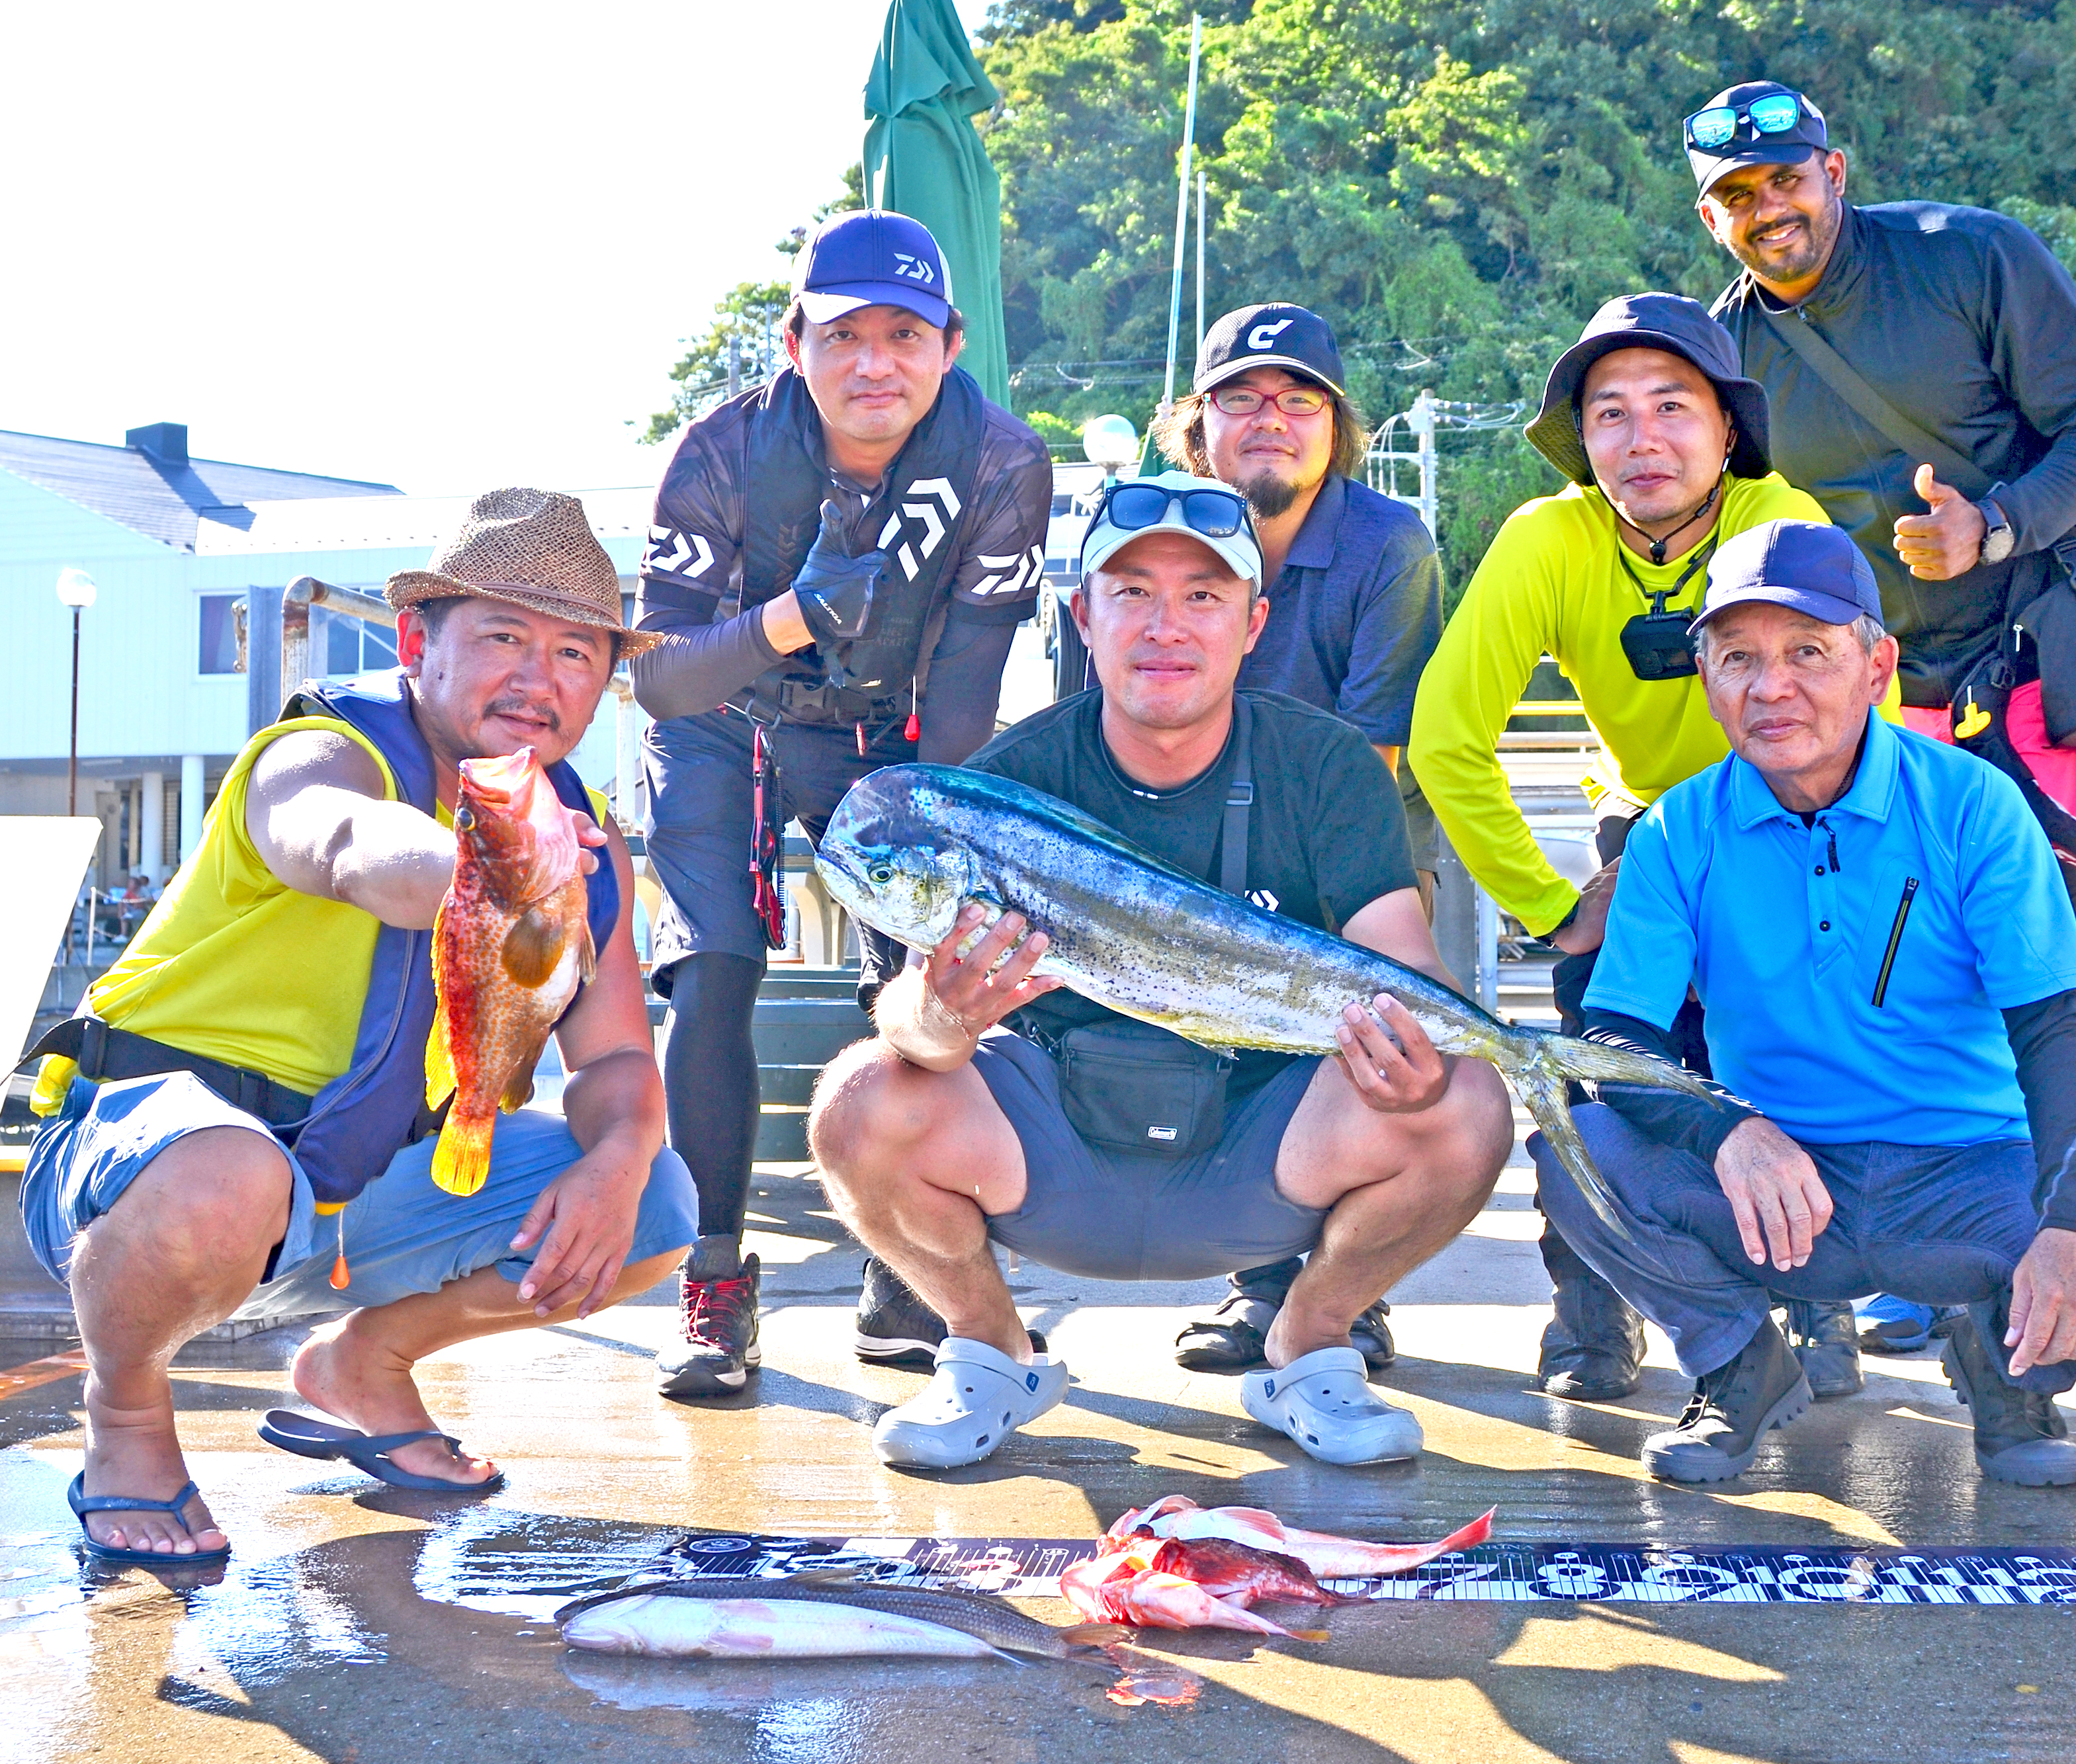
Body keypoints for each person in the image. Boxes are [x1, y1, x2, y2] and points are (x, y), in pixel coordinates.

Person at [19, 488, 697, 1560]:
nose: (539, 676)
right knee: (225, 1174)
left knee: (654, 1200)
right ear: (418, 641)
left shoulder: (582, 831)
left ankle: (363, 1363)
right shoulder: (320, 753)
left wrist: (620, 1152)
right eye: (504, 636)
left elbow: (614, 1053)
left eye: (576, 653)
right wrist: (483, 876)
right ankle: (127, 1417)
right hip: (135, 1165)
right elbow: (339, 842)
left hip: (350, 1183)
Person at [805, 474, 1515, 1472]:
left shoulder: (1328, 763)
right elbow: (908, 1025)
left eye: (1202, 595)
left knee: (1471, 1099)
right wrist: (940, 1013)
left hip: (1260, 1157)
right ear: (1082, 614)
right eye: (1131, 591)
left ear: (1253, 622)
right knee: (856, 1096)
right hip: (1049, 1154)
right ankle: (988, 1350)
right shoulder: (1009, 779)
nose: (1164, 624)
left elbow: (1401, 951)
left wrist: (1422, 1059)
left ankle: (1308, 1339)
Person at [1531, 519, 2076, 1490]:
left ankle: (2005, 1372)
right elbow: (1616, 1035)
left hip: (1964, 1168)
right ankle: (1739, 1366)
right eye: (1736, 656)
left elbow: (2055, 1028)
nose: (1769, 686)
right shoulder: (1675, 829)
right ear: (1706, 678)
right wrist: (1726, 1128)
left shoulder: (1974, 804)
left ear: (1877, 666)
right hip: (1783, 1186)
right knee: (1574, 1154)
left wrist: (2068, 1218)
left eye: (1808, 652)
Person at [1690, 80, 2076, 1365]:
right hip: (1880, 697)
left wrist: (1992, 525)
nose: (1765, 209)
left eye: (1784, 178)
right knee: (1886, 976)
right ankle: (1926, 1258)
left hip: (2035, 664)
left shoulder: (1972, 258)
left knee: (2028, 977)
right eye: (1735, 194)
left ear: (1833, 169)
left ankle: (2060, 1260)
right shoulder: (1739, 353)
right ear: (1708, 211)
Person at [1406, 293, 1862, 1404]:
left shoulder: (1781, 518)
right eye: (1608, 414)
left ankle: (1817, 1303)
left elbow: (1840, 723)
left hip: (1786, 826)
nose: (1641, 438)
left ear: (1724, 429)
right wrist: (1555, 907)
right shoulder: (1544, 540)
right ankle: (1591, 1317)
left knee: (1797, 1071)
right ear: (1581, 440)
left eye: (1673, 406)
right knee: (1592, 1083)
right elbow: (1445, 737)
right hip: (1640, 841)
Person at [634, 210, 1055, 1400]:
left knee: (918, 977)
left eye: (904, 335)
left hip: (886, 733)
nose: (873, 363)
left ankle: (911, 1255)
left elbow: (967, 699)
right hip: (725, 720)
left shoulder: (1002, 463)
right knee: (714, 966)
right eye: (843, 335)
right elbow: (660, 675)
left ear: (949, 344)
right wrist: (794, 615)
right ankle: (713, 1278)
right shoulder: (718, 452)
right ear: (794, 341)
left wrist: (930, 870)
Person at [1143, 301, 1445, 1376]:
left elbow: (1371, 759)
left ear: (1336, 425)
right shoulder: (1152, 533)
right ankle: (1257, 1286)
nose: (1270, 417)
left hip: (1353, 842)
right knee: (1217, 1065)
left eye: (1298, 398)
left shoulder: (1389, 544)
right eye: (1241, 396)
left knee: (1360, 1058)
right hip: (1192, 843)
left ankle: (1347, 1299)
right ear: (1197, 424)